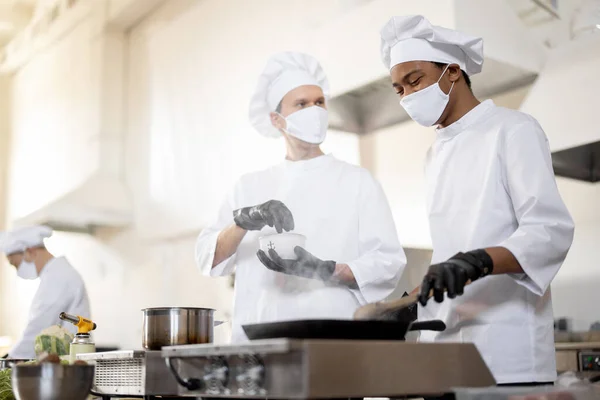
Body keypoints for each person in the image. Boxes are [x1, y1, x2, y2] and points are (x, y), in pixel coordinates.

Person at [379, 15, 574, 386]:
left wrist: (478, 261)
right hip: (446, 347)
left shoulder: (513, 130)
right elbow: (450, 254)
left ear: (452, 71)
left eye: (414, 80)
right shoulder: (433, 156)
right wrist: (409, 302)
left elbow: (550, 231)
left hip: (508, 353)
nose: (406, 96)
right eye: (398, 88)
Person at [195, 52, 407, 342]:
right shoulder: (249, 186)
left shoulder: (358, 182)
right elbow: (208, 257)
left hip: (334, 337)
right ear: (276, 119)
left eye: (319, 102)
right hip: (261, 339)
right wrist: (244, 221)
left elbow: (388, 263)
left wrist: (325, 270)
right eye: (302, 104)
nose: (315, 110)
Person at [0, 225, 91, 358]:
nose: (17, 270)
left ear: (30, 252)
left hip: (68, 365)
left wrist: (8, 360)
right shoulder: (54, 275)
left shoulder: (59, 276)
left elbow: (38, 328)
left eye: (15, 264)